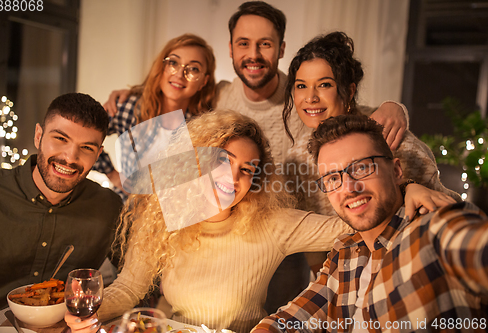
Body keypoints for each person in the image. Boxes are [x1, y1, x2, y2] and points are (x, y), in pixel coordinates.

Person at [102, 1, 409, 314]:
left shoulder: (303, 96)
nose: (253, 54)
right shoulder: (219, 97)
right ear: (231, 50)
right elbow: (175, 100)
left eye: (265, 44)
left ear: (281, 49)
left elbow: (347, 113)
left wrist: (393, 110)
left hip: (284, 256)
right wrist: (134, 93)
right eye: (243, 44)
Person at [64, 110, 451, 333]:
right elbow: (129, 287)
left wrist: (408, 188)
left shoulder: (269, 222)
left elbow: (357, 218)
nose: (235, 179)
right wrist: (84, 316)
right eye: (223, 163)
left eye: (247, 170)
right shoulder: (169, 215)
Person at [252, 114, 488, 333]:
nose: (349, 188)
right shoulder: (345, 252)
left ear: (396, 171)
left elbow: (470, 241)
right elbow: (296, 317)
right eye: (334, 178)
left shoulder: (431, 230)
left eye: (362, 168)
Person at [282, 31, 460, 226]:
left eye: (324, 85)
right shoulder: (297, 159)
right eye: (301, 86)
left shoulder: (388, 136)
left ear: (349, 91)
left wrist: (409, 186)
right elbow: (309, 235)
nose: (310, 98)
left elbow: (445, 210)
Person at [0, 93, 123, 312]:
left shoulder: (109, 207)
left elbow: (138, 276)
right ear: (38, 135)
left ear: (98, 154)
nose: (70, 158)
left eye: (87, 148)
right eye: (60, 139)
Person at [96, 33, 216, 199]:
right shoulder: (128, 107)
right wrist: (111, 174)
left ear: (204, 81)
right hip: (124, 210)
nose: (180, 74)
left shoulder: (204, 129)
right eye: (173, 63)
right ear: (162, 67)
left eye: (193, 69)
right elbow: (83, 136)